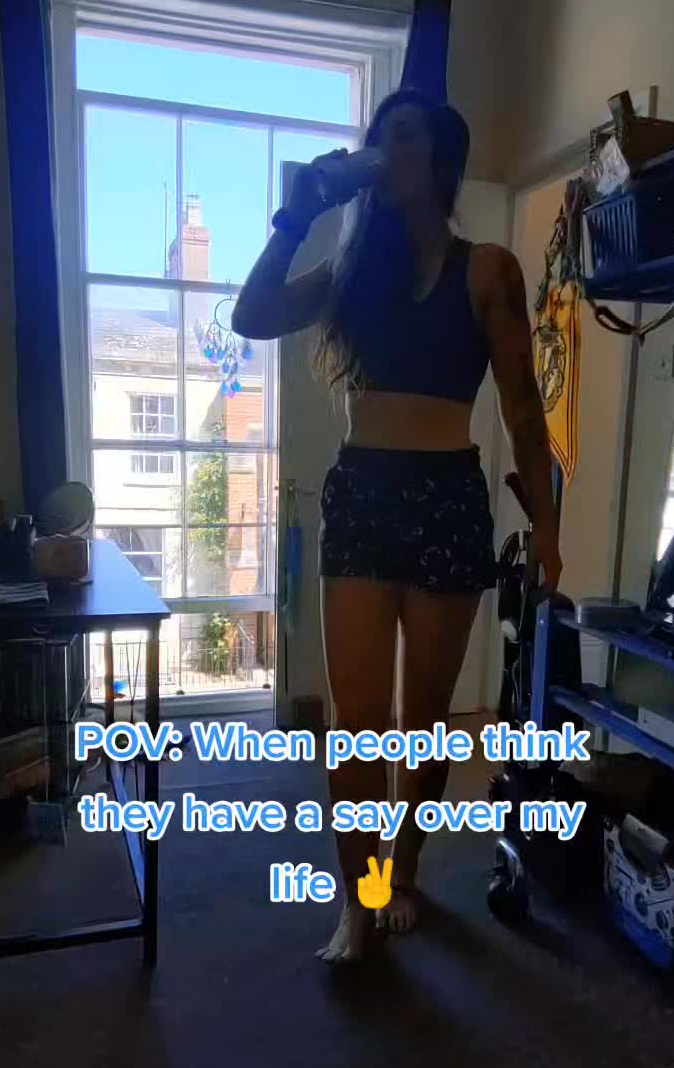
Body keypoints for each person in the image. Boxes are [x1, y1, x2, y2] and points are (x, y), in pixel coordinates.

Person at [232, 88, 562, 963]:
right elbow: (250, 317)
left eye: (403, 135)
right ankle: (360, 896)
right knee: (358, 722)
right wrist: (296, 215)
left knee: (423, 720)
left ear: (440, 158)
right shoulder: (353, 275)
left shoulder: (487, 269)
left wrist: (549, 528)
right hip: (363, 496)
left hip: (447, 498)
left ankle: (403, 870)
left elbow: (525, 409)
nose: (384, 149)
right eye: (378, 136)